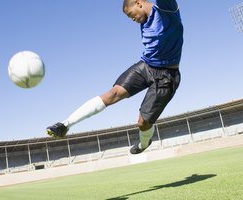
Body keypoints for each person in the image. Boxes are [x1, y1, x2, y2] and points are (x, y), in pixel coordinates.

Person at [46, 0, 183, 154]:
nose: (133, 19)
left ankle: (144, 144)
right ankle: (65, 125)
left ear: (139, 3)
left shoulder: (166, 9)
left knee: (143, 123)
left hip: (167, 75)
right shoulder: (144, 21)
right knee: (112, 93)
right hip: (146, 66)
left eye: (131, 15)